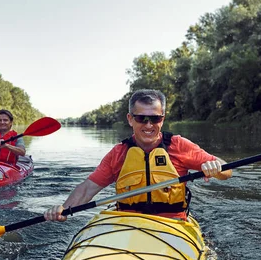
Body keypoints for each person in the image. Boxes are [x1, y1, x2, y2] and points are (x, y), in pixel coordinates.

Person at [44, 89, 232, 222]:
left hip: (173, 224)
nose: (148, 125)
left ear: (163, 118)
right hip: (127, 222)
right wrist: (64, 209)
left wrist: (216, 168)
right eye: (141, 118)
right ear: (130, 119)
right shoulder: (119, 153)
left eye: (155, 118)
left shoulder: (179, 145)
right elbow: (88, 188)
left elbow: (227, 171)